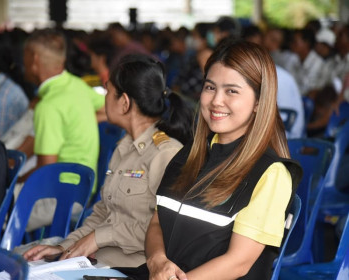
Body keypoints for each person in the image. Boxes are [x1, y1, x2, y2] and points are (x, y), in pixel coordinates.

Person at [116, 39, 302, 280]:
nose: (216, 101)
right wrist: (157, 261)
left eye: (231, 91)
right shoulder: (189, 155)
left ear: (259, 102)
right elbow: (156, 224)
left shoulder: (271, 173)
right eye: (210, 87)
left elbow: (238, 263)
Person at [23, 54, 194, 267]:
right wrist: (65, 247)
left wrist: (98, 238)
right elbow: (103, 212)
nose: (104, 97)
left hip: (132, 268)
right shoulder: (123, 148)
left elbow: (163, 229)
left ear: (124, 102)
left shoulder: (164, 154)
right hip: (98, 261)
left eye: (108, 91)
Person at [16, 29, 105, 231]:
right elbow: (112, 110)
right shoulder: (77, 85)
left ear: (34, 60)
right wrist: (84, 120)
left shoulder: (48, 106)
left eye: (24, 56)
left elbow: (46, 171)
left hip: (59, 197)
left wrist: (14, 181)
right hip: (84, 190)